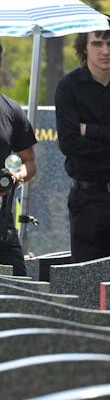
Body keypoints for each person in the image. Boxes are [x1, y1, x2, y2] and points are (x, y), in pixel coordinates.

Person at [55, 16, 110, 262]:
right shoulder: (68, 87)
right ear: (84, 47)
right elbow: (69, 143)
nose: (105, 51)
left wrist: (90, 130)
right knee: (86, 280)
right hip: (87, 197)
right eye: (97, 44)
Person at [0, 40, 36, 275]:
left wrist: (17, 176)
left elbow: (30, 163)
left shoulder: (10, 110)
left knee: (21, 292)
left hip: (2, 227)